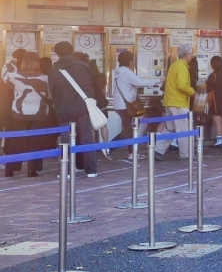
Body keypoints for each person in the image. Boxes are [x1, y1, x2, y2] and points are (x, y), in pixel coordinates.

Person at [48, 41, 107, 178]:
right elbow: (89, 86)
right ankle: (91, 170)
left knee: (65, 140)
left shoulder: (54, 70)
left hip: (63, 108)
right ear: (72, 51)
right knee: (87, 138)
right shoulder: (83, 66)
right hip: (83, 107)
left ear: (56, 53)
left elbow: (52, 90)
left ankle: (66, 170)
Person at [5, 52, 55, 178]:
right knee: (35, 142)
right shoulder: (44, 77)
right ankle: (31, 170)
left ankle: (9, 169)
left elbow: (4, 72)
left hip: (19, 113)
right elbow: (49, 95)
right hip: (39, 114)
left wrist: (13, 60)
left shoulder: (15, 76)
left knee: (17, 141)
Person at [153, 44, 196, 161]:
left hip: (169, 101)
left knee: (170, 128)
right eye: (191, 54)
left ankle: (158, 150)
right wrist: (193, 92)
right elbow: (182, 85)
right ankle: (186, 154)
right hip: (179, 103)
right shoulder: (182, 67)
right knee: (184, 130)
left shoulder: (174, 66)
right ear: (187, 55)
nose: (192, 56)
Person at [111, 50, 150, 150]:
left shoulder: (118, 72)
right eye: (132, 60)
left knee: (129, 129)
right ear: (129, 61)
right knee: (128, 130)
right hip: (126, 105)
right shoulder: (127, 73)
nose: (133, 62)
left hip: (120, 104)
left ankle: (131, 152)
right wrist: (158, 80)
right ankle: (109, 148)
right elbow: (140, 82)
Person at [205, 55, 222, 147]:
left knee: (217, 122)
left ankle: (219, 141)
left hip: (216, 102)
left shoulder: (213, 75)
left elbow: (208, 89)